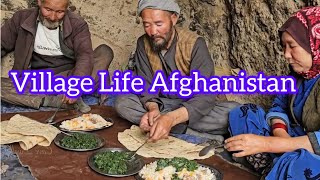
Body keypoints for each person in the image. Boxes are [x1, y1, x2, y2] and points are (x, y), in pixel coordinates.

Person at [115, 0, 239, 142]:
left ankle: (168, 126)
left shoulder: (194, 44)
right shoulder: (143, 43)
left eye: (159, 24)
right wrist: (153, 109)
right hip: (163, 104)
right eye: (147, 25)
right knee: (122, 103)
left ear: (173, 18)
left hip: (191, 107)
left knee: (233, 113)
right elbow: (145, 85)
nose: (153, 32)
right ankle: (189, 133)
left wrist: (171, 119)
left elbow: (205, 95)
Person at [225, 7, 320, 179]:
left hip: (312, 152)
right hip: (291, 138)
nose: (286, 55)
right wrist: (279, 135)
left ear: (314, 44)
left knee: (303, 165)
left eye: (292, 46)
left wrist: (270, 144)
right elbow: (279, 105)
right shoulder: (297, 76)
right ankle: (272, 167)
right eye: (284, 47)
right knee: (244, 113)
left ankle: (276, 165)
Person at [1, 0, 114, 112]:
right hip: (35, 81)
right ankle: (50, 101)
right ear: (39, 2)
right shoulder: (21, 18)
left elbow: (84, 55)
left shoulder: (77, 24)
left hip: (67, 78)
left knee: (105, 52)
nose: (53, 17)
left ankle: (67, 95)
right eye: (48, 10)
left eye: (60, 12)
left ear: (67, 7)